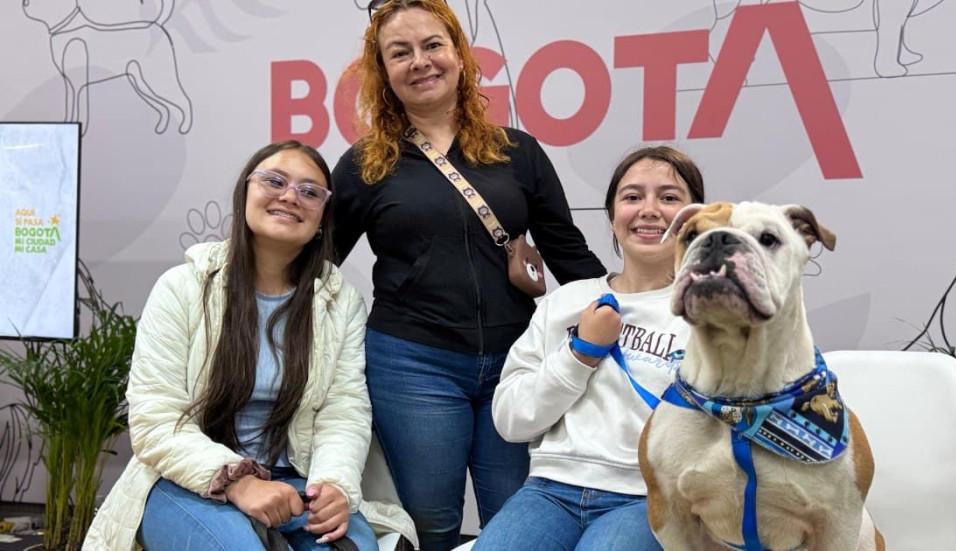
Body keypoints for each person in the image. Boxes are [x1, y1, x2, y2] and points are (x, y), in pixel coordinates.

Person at [331, 1, 606, 548]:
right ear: (383, 73)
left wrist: (638, 307)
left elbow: (570, 258)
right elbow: (314, 268)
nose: (420, 61)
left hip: (518, 364)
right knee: (430, 525)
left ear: (459, 55)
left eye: (433, 45)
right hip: (412, 366)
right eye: (400, 53)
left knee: (517, 523)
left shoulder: (518, 151)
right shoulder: (366, 163)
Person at [84, 141, 417, 551]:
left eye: (310, 191)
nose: (290, 196)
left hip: (296, 480)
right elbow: (156, 421)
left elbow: (343, 409)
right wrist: (237, 482)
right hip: (186, 479)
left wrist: (333, 486)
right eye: (274, 181)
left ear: (321, 220)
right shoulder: (182, 287)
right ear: (246, 193)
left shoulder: (339, 301)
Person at [474, 146, 706, 550]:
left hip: (649, 498)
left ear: (693, 219)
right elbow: (511, 420)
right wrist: (579, 353)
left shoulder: (708, 317)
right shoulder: (566, 303)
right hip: (549, 491)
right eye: (632, 197)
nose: (649, 209)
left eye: (669, 198)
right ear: (613, 217)